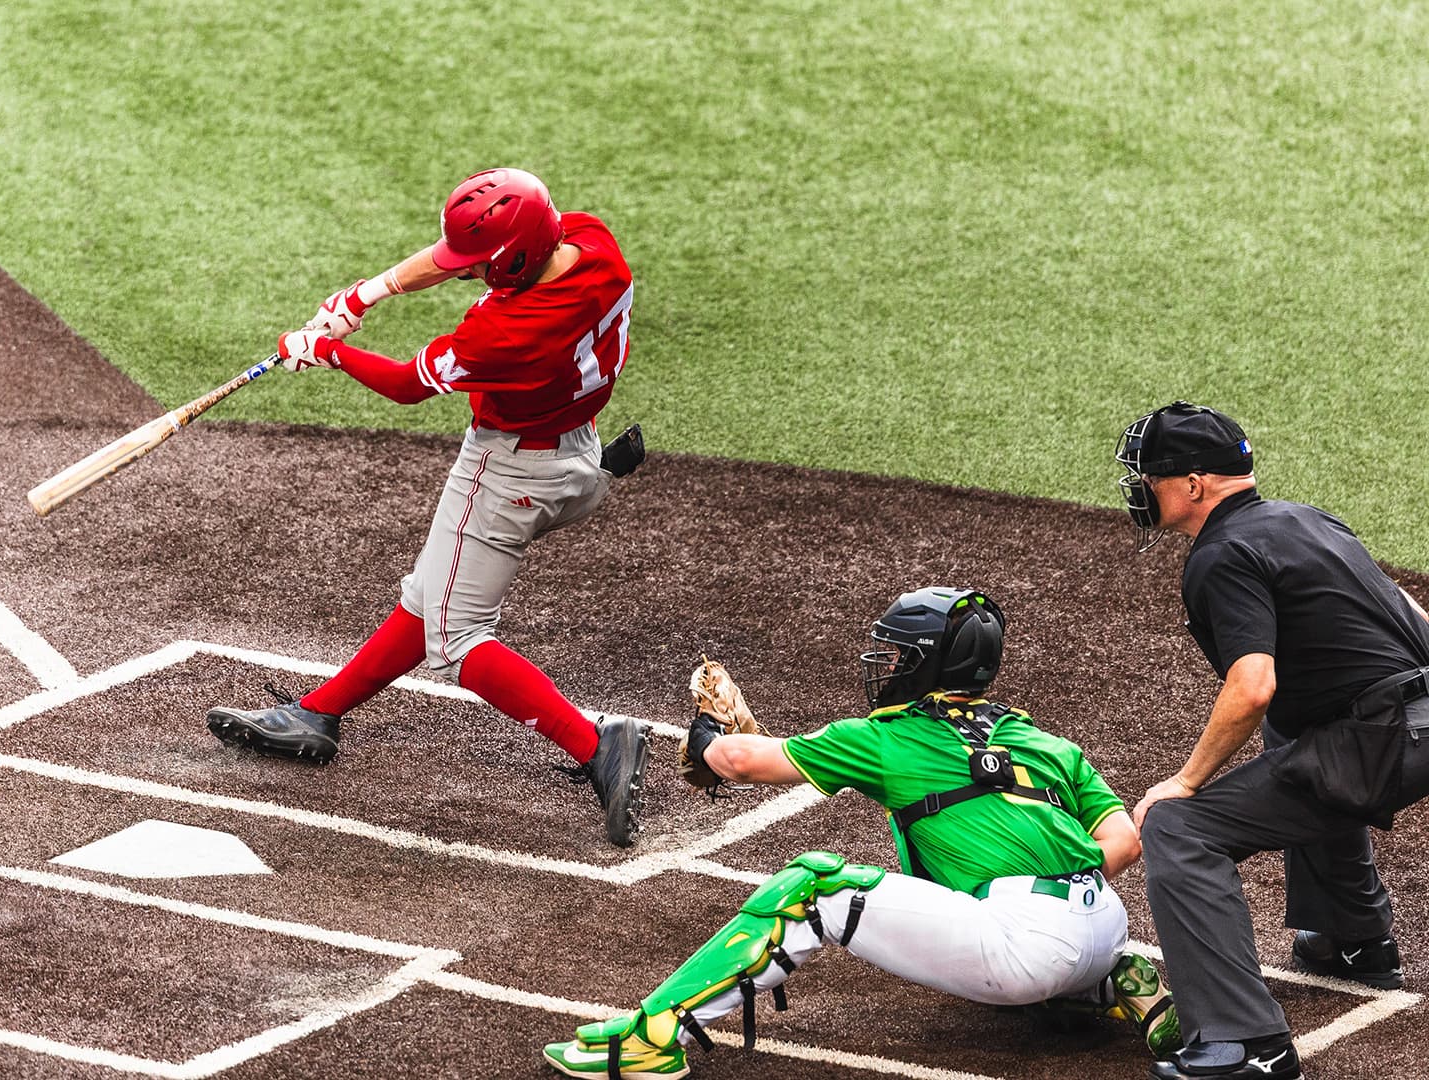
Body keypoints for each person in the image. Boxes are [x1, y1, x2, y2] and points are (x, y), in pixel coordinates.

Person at [542, 587, 1181, 1078]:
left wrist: (707, 736)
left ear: (927, 667)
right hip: (1105, 925)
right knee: (1020, 944)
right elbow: (1123, 846)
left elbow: (738, 762)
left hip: (1024, 948)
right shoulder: (1045, 740)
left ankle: (653, 1040)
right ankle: (1108, 978)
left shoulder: (883, 739)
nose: (890, 664)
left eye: (901, 654)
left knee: (814, 887)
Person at [204, 168, 652, 847]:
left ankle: (597, 745)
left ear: (509, 265)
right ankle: (318, 714)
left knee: (458, 638)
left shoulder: (507, 333)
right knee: (436, 594)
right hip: (574, 455)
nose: (464, 274)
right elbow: (465, 260)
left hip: (508, 475)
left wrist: (325, 350)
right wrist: (364, 294)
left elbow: (408, 385)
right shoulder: (592, 244)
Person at [1116, 401, 1429, 1080]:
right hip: (1415, 716)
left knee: (1182, 828)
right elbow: (1406, 610)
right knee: (1300, 737)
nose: (1142, 486)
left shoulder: (1220, 556)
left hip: (1380, 741)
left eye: (1151, 475)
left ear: (1194, 485)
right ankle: (1354, 941)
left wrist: (1186, 780)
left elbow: (1252, 686)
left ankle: (1246, 1044)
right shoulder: (1304, 518)